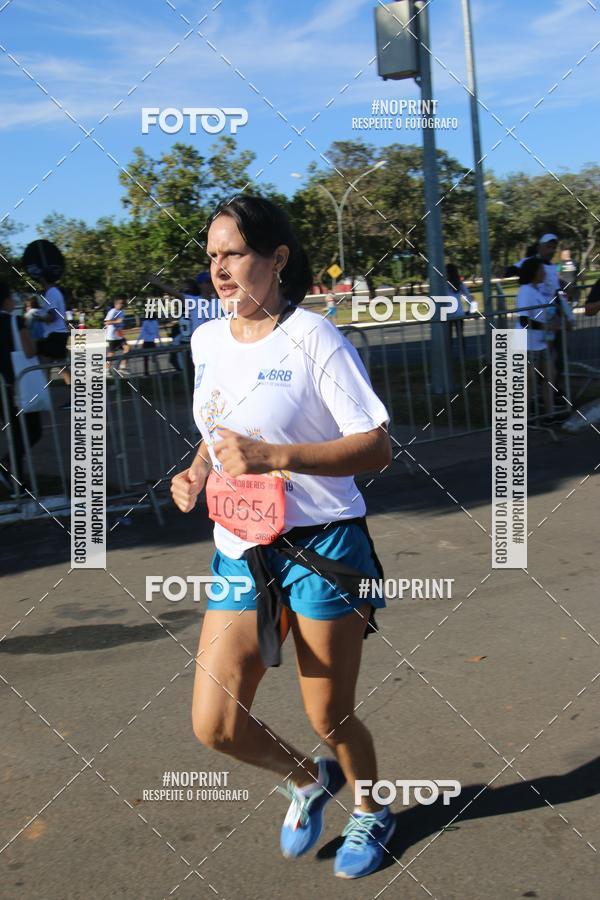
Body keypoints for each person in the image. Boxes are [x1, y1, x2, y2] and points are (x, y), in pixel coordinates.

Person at [170, 196, 395, 879]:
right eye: (212, 256)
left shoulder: (314, 338)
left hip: (324, 551)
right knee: (215, 723)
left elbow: (378, 446)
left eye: (234, 253)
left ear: (276, 258)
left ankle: (372, 810)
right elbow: (217, 431)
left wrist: (277, 458)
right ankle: (304, 778)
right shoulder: (206, 340)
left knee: (330, 713)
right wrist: (196, 470)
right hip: (241, 549)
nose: (221, 269)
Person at [0, 281, 42, 493]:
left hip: (2, 388)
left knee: (17, 433)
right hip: (19, 385)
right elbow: (29, 351)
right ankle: (8, 467)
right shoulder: (15, 321)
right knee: (32, 431)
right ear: (6, 300)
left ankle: (17, 480)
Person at [516, 256, 559, 416]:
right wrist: (546, 326)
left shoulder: (536, 290)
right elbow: (523, 319)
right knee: (529, 382)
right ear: (533, 272)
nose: (544, 272)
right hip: (527, 344)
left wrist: (553, 320)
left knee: (550, 376)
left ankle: (549, 413)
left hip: (541, 343)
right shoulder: (525, 291)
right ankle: (524, 417)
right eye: (541, 270)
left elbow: (542, 313)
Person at [446, 264, 476, 355]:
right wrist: (472, 310)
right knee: (460, 335)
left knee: (448, 336)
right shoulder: (459, 283)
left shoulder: (443, 283)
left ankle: (448, 356)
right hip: (459, 313)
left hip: (448, 314)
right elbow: (468, 296)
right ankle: (463, 355)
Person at [104, 298, 130, 376]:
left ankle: (122, 368)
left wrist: (121, 331)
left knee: (127, 348)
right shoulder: (112, 311)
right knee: (111, 353)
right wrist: (116, 321)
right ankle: (106, 370)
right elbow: (106, 322)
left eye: (122, 303)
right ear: (116, 304)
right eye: (120, 303)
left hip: (119, 336)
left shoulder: (121, 312)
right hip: (111, 337)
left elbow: (120, 324)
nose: (121, 305)